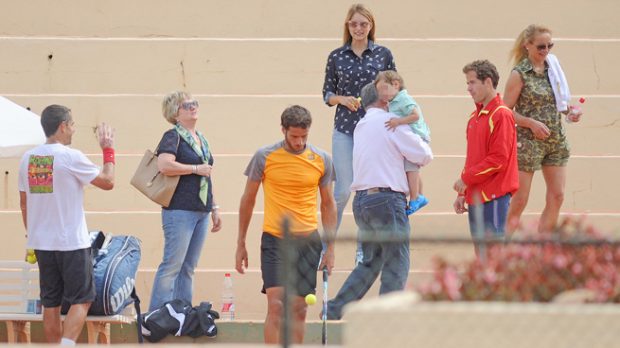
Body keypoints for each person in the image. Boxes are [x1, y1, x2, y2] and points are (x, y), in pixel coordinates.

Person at [325, 83, 432, 320]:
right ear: (384, 99)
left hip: (362, 201)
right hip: (387, 200)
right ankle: (389, 320)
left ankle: (333, 311)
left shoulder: (360, 126)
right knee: (397, 260)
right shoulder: (391, 122)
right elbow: (423, 155)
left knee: (370, 262)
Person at [235, 105, 337, 344]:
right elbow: (248, 200)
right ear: (283, 130)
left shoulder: (322, 159)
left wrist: (330, 248)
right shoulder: (264, 156)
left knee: (299, 309)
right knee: (277, 305)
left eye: (304, 136)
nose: (299, 142)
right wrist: (241, 242)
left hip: (308, 241)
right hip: (275, 239)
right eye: (294, 136)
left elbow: (328, 205)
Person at [18, 105, 115, 345]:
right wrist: (108, 150)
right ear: (62, 126)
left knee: (50, 302)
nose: (73, 130)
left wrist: (33, 235)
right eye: (72, 125)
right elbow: (108, 181)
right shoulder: (70, 156)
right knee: (82, 299)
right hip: (71, 242)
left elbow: (23, 204)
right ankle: (66, 345)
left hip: (41, 243)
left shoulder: (27, 159)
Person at [322, 3, 396, 263]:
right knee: (342, 190)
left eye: (363, 24)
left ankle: (363, 251)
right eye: (354, 24)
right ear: (348, 26)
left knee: (367, 190)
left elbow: (394, 89)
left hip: (373, 130)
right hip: (344, 128)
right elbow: (327, 94)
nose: (359, 28)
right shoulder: (336, 56)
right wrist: (343, 99)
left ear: (371, 26)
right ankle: (327, 246)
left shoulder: (383, 54)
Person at [503, 25, 582, 234]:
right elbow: (504, 111)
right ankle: (501, 249)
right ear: (527, 45)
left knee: (557, 196)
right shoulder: (519, 74)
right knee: (519, 200)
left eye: (549, 46)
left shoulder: (553, 68)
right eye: (540, 46)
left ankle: (543, 250)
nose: (545, 50)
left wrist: (570, 112)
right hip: (528, 143)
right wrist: (530, 123)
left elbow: (560, 102)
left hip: (555, 140)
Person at [149, 91, 222, 312]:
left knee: (188, 268)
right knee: (172, 265)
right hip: (179, 210)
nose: (193, 107)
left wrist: (215, 207)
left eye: (194, 103)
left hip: (201, 210)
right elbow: (164, 165)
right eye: (186, 105)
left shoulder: (201, 139)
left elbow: (206, 175)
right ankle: (157, 315)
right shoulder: (173, 136)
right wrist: (194, 169)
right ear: (175, 113)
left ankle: (181, 314)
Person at [453, 60, 519, 249]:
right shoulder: (474, 118)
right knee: (482, 257)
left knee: (493, 256)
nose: (468, 88)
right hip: (475, 197)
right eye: (467, 83)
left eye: (472, 82)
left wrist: (466, 178)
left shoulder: (501, 114)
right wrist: (463, 191)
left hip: (494, 197)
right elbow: (472, 158)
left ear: (488, 82)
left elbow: (498, 159)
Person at [375, 70, 431, 215]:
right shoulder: (394, 101)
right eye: (380, 92)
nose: (382, 94)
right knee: (413, 168)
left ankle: (414, 198)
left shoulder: (403, 99)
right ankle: (420, 195)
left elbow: (415, 115)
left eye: (384, 89)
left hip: (416, 136)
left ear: (396, 84)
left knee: (410, 167)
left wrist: (398, 122)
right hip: (411, 138)